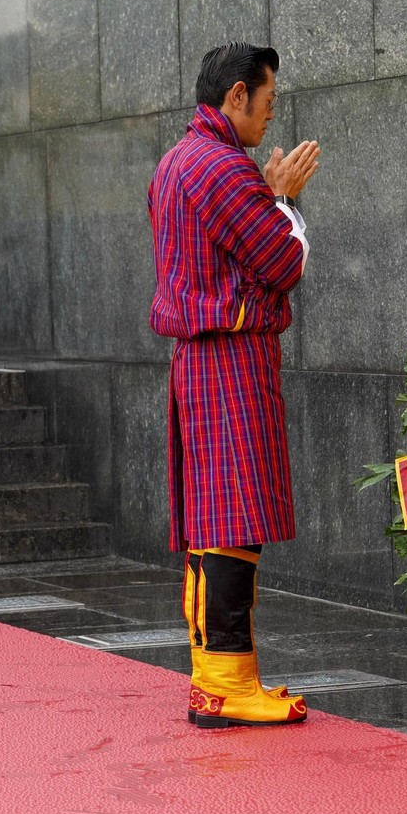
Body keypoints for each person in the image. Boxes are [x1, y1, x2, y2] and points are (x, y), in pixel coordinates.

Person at [147, 41, 319, 728]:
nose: (271, 118)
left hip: (200, 358)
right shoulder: (221, 168)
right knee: (229, 518)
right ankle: (224, 683)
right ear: (236, 96)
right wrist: (282, 201)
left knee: (217, 516)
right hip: (227, 358)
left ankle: (219, 675)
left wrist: (270, 195)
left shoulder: (176, 161)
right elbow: (281, 261)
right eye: (268, 101)